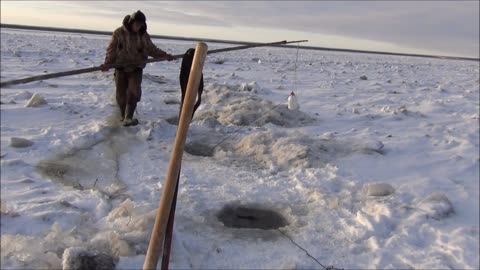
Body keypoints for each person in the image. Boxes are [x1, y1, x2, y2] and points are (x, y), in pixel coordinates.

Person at [102, 10, 175, 126]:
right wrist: (108, 62)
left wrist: (164, 55)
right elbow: (112, 50)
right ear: (131, 22)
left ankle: (128, 118)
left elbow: (151, 49)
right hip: (121, 68)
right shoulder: (119, 33)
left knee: (133, 92)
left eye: (140, 25)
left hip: (136, 68)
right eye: (136, 24)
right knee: (121, 95)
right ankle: (122, 117)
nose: (138, 27)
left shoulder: (143, 35)